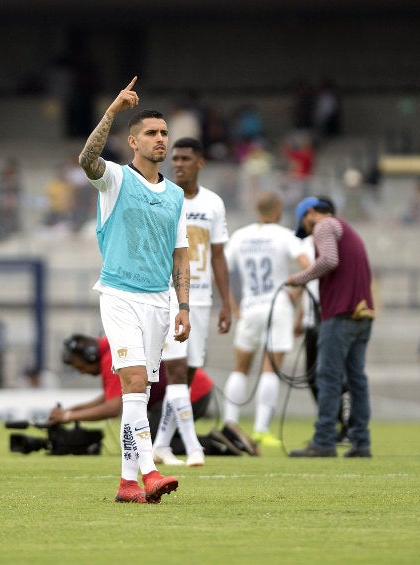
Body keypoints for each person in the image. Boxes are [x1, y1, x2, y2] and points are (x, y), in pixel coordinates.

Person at [78, 77, 189, 503]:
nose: (160, 140)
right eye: (151, 133)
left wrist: (184, 306)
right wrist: (111, 110)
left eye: (164, 133)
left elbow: (181, 256)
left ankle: (127, 484)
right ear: (132, 140)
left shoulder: (176, 196)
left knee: (137, 394)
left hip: (160, 302)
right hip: (120, 295)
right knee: (134, 381)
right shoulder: (116, 180)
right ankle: (151, 471)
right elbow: (87, 158)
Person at [151, 137, 232, 468]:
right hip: (170, 295)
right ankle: (193, 447)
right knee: (179, 371)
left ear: (200, 162)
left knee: (190, 372)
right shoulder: (162, 196)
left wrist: (227, 303)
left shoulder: (213, 203)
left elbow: (218, 256)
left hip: (201, 299)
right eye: (175, 158)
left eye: (185, 158)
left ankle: (161, 445)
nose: (179, 163)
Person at [285, 196, 375, 458]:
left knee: (328, 377)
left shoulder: (324, 225)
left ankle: (323, 440)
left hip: (340, 314)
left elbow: (329, 260)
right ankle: (361, 442)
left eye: (306, 225)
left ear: (310, 213)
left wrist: (298, 278)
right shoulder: (346, 229)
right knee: (357, 379)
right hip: (362, 313)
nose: (310, 232)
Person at [222, 191, 310, 448]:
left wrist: (232, 305)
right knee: (270, 368)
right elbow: (308, 265)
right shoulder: (285, 235)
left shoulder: (241, 236)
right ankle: (261, 429)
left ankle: (230, 423)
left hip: (249, 308)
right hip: (278, 306)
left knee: (240, 368)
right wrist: (294, 292)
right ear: (279, 208)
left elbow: (221, 272)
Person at [53, 334, 214, 436]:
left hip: (192, 393)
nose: (83, 372)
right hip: (186, 392)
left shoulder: (111, 357)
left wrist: (69, 417)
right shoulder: (111, 348)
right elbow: (115, 396)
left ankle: (218, 443)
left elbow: (112, 408)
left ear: (91, 356)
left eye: (82, 368)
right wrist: (70, 411)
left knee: (152, 445)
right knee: (152, 443)